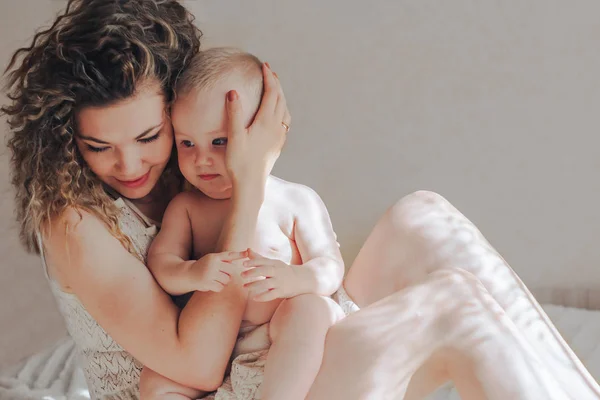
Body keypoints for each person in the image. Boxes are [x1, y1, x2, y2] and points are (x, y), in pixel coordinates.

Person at [3, 1, 599, 399]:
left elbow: (297, 260)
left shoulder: (187, 168)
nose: (130, 166)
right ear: (66, 136)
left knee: (424, 215)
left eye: (150, 136)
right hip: (211, 390)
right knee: (454, 307)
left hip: (275, 357)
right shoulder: (74, 219)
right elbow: (197, 367)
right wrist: (252, 179)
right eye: (98, 146)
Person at [142, 47, 346, 400]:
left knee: (312, 309)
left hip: (278, 331)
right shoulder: (187, 207)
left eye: (219, 141)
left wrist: (295, 279)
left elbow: (331, 265)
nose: (201, 159)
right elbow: (161, 264)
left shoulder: (294, 200)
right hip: (220, 348)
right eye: (187, 142)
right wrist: (193, 272)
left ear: (259, 134)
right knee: (155, 381)